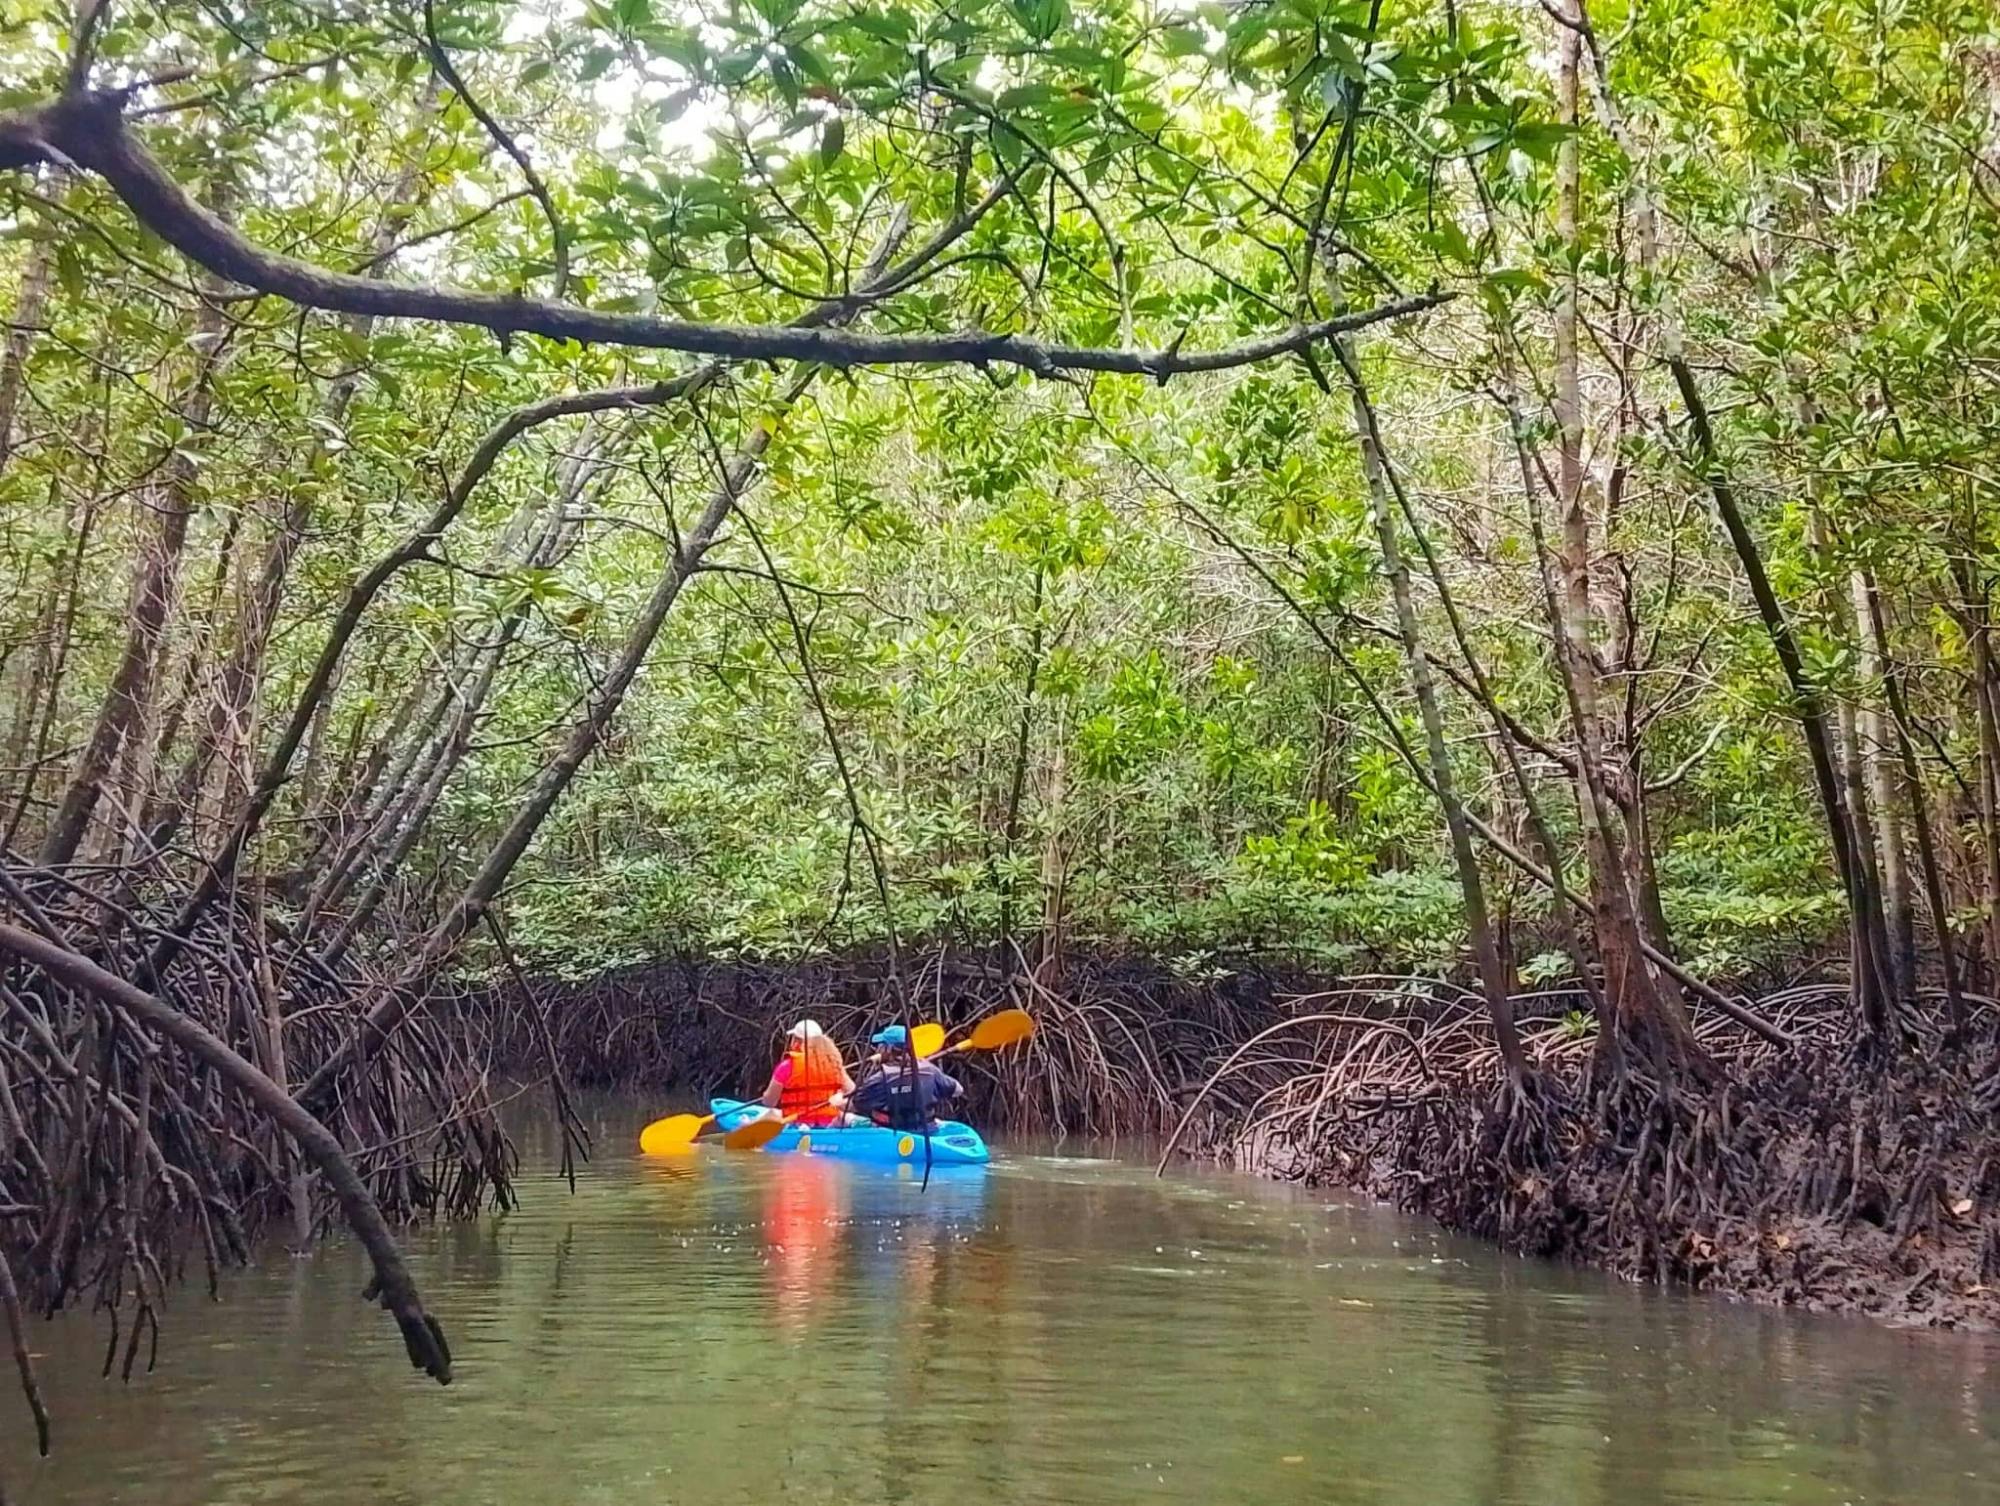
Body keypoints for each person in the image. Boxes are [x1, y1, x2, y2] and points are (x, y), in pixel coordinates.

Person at [844, 1025, 964, 1132]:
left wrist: (838, 1102)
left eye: (881, 1045)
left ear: (888, 1049)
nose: (878, 1049)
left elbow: (855, 1105)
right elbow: (958, 1090)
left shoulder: (879, 1079)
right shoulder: (930, 1070)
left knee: (845, 1118)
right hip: (927, 1128)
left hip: (892, 1133)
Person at [760, 1019, 853, 1128]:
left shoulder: (787, 1066)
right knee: (845, 1116)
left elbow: (769, 1102)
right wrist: (840, 1100)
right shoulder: (834, 1064)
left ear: (796, 1042)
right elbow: (853, 1094)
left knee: (772, 1114)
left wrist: (765, 1097)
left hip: (797, 1123)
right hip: (829, 1124)